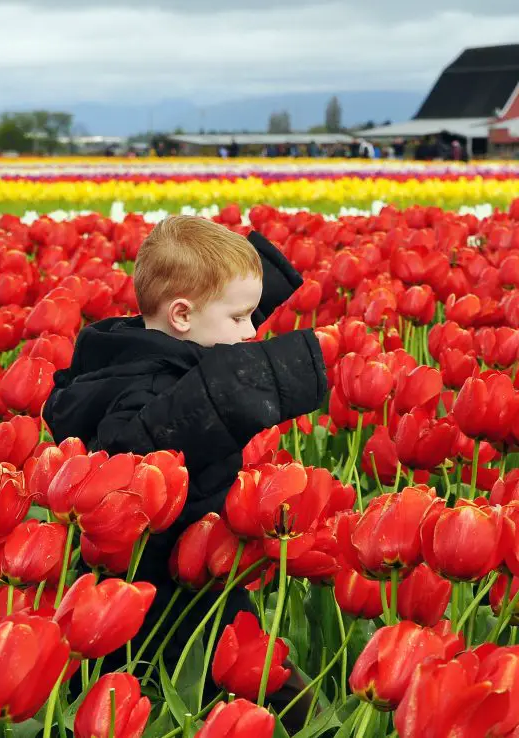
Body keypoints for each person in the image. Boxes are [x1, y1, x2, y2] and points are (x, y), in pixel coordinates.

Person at [43, 216, 327, 731]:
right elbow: (140, 444)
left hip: (189, 578)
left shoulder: (137, 352)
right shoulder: (144, 391)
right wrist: (258, 379)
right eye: (241, 317)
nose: (251, 332)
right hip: (165, 595)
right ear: (180, 315)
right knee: (283, 705)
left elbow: (207, 341)